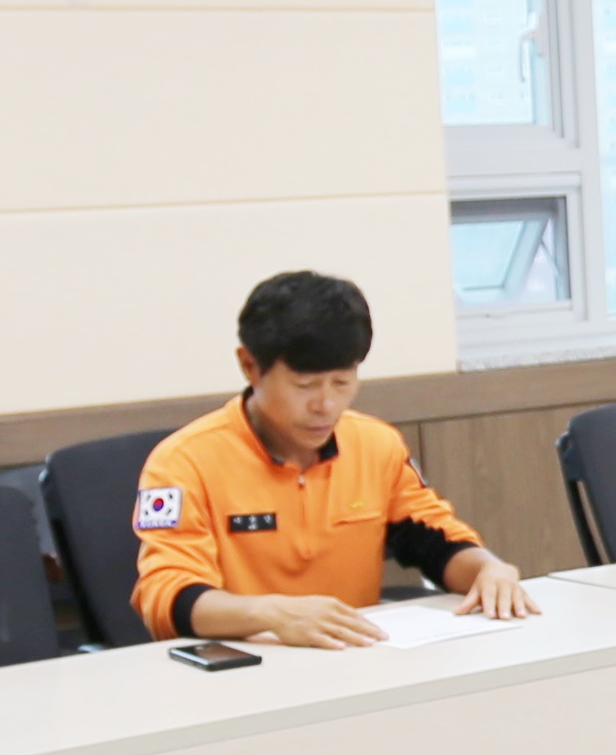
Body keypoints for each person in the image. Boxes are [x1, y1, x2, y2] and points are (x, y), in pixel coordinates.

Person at [130, 269, 536, 646]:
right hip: (243, 667)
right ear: (249, 365)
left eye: (342, 382)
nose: (326, 405)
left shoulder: (376, 445)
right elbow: (165, 596)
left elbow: (434, 540)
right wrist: (270, 614)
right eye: (304, 385)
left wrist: (487, 569)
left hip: (352, 659)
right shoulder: (183, 462)